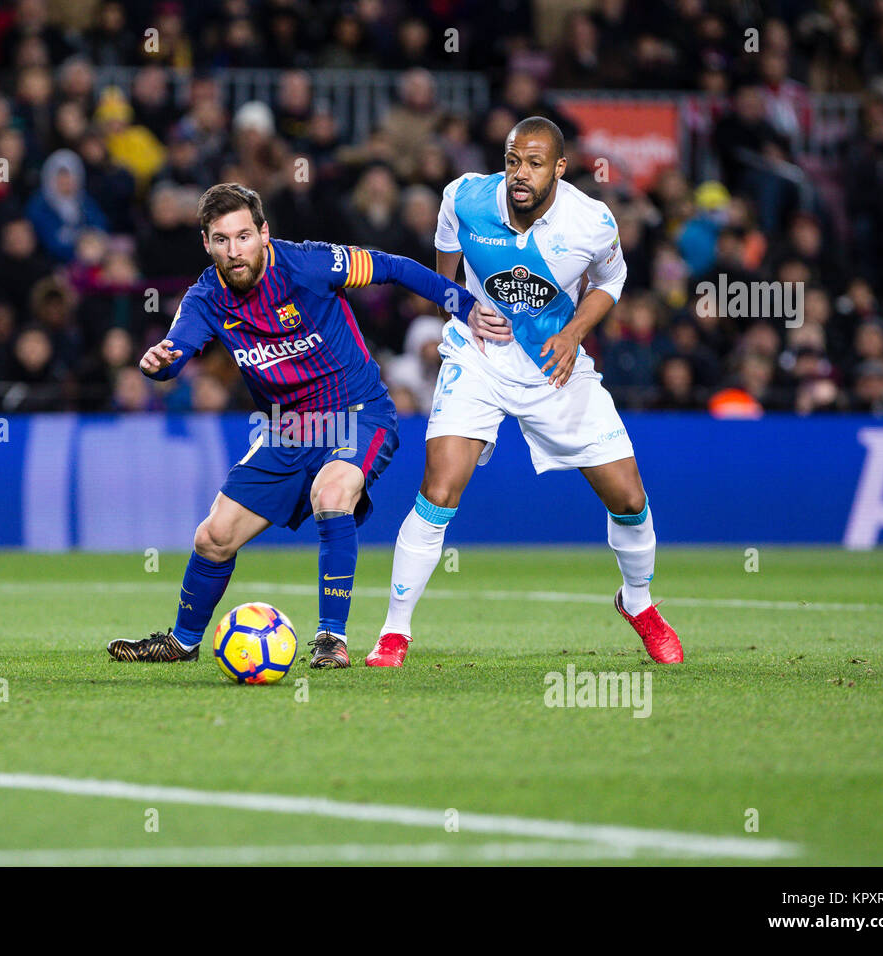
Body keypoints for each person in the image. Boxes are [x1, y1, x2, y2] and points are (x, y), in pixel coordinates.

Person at [106, 183, 491, 669]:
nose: (234, 250)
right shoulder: (205, 297)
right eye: (221, 240)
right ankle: (182, 643)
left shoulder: (309, 264)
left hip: (358, 413)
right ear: (206, 244)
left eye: (244, 236)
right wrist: (158, 363)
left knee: (332, 497)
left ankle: (332, 638)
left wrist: (463, 304)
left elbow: (394, 267)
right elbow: (175, 353)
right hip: (286, 430)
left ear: (264, 233)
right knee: (213, 537)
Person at [368, 117, 684, 668]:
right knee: (439, 489)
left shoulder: (591, 222)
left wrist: (574, 332)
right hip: (479, 359)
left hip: (555, 365)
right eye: (513, 160)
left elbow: (610, 282)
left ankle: (638, 603)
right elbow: (444, 254)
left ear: (559, 168)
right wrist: (457, 306)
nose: (520, 173)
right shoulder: (465, 197)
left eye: (535, 164)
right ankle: (394, 634)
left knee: (629, 499)